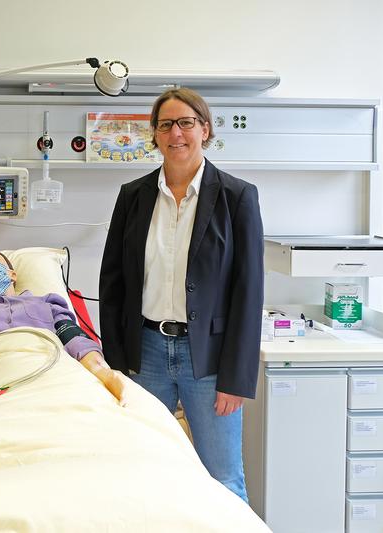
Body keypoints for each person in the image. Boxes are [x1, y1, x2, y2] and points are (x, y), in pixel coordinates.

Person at [99, 88, 264, 501]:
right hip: (147, 353)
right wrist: (116, 364)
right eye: (166, 124)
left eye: (186, 123)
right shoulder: (133, 197)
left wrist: (237, 378)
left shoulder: (237, 197)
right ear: (154, 134)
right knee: (143, 473)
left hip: (209, 359)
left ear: (204, 129)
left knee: (223, 480)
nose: (177, 133)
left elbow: (249, 293)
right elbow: (113, 284)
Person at [0, 251, 124, 401]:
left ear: (12, 275)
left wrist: (101, 372)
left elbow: (72, 337)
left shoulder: (46, 302)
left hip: (48, 367)